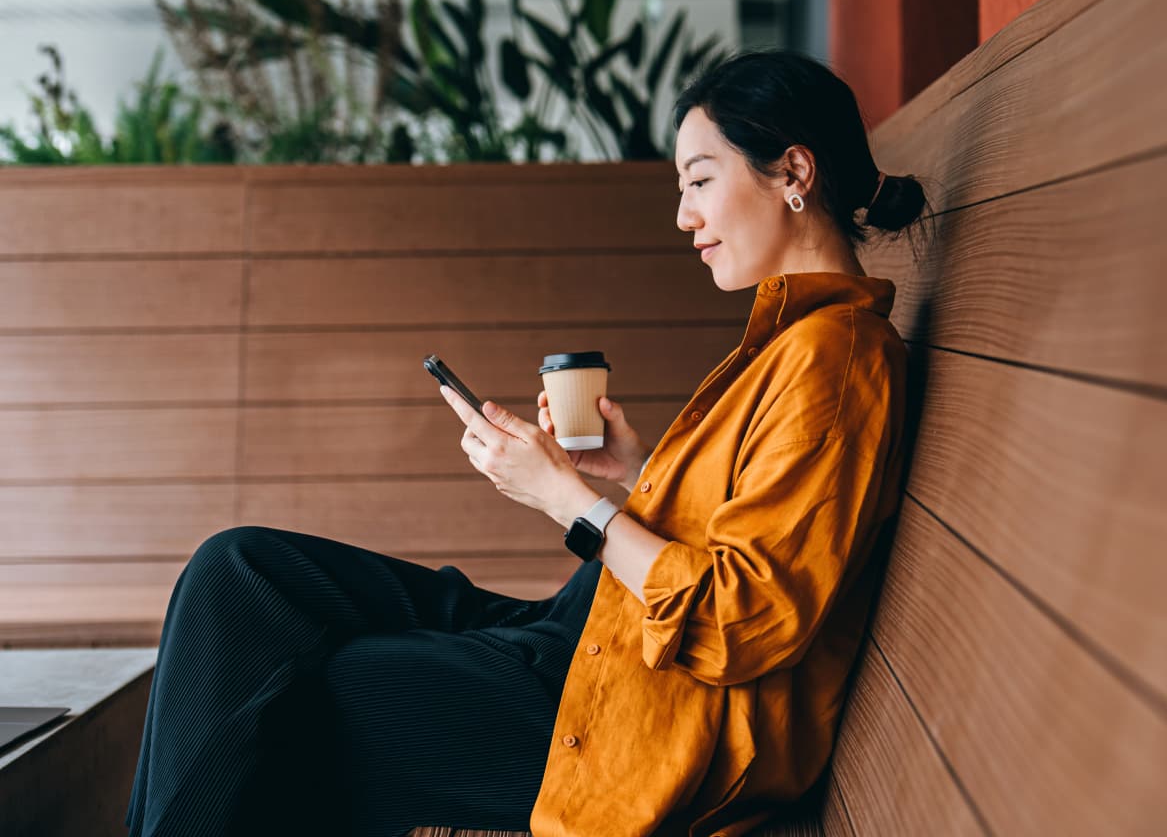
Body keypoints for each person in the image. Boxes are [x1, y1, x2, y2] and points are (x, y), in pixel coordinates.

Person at [123, 49, 928, 837]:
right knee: (239, 570)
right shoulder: (792, 342)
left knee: (323, 690)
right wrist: (636, 473)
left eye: (699, 181)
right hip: (587, 637)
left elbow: (742, 621)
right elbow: (756, 524)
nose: (685, 215)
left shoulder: (835, 358)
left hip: (640, 715)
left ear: (792, 172)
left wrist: (567, 501)